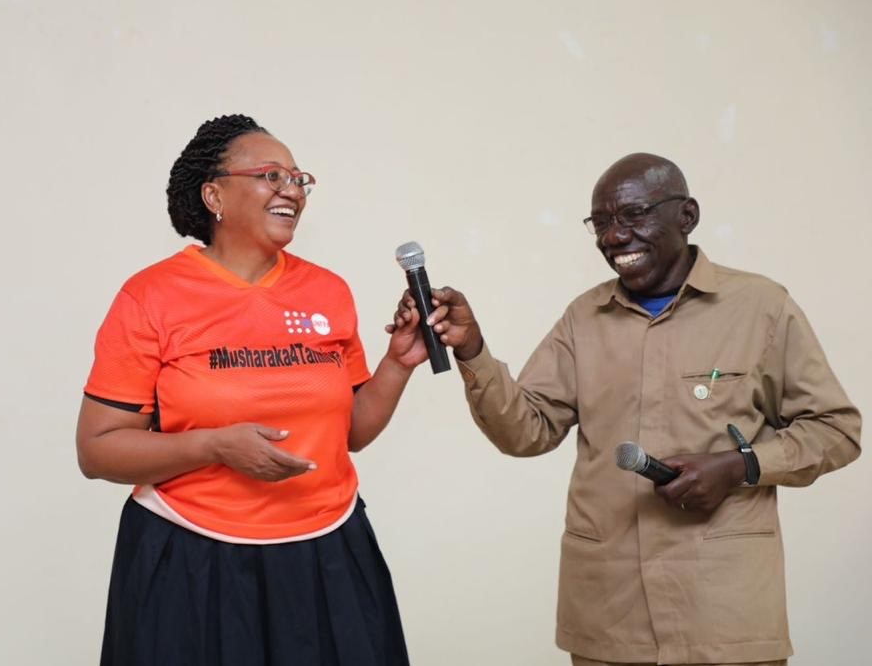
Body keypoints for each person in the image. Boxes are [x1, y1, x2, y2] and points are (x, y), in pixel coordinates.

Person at [392, 153, 861, 666]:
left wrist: (739, 465)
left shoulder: (761, 307)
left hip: (725, 617)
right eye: (602, 222)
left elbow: (836, 429)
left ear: (686, 216)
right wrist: (472, 350)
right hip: (610, 619)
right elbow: (526, 432)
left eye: (633, 215)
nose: (614, 237)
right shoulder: (584, 318)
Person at [77, 114, 421, 665]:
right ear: (214, 194)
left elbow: (350, 433)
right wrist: (214, 446)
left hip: (327, 548)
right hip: (192, 557)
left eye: (298, 178)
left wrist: (398, 365)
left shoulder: (327, 291)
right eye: (270, 175)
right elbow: (97, 450)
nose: (291, 190)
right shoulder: (150, 297)